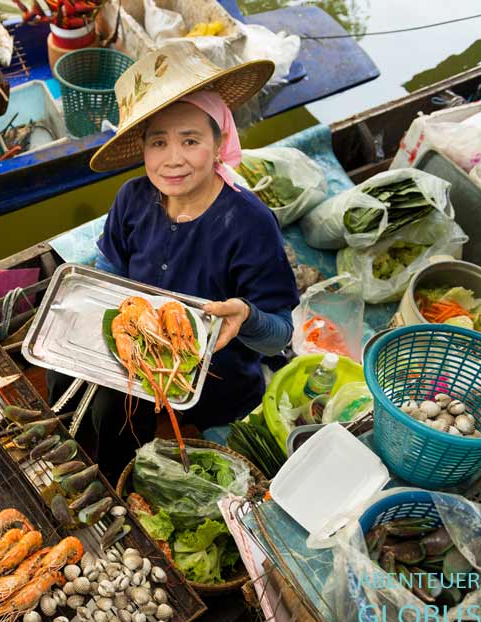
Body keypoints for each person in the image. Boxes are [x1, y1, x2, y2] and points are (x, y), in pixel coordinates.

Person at [48, 43, 299, 482]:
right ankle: (106, 470)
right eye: (158, 142)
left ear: (220, 141)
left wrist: (247, 317)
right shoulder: (132, 198)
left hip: (216, 383)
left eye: (191, 140)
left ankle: (129, 479)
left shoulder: (250, 224)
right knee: (71, 379)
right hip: (139, 356)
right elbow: (111, 273)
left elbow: (279, 335)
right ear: (142, 148)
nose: (173, 159)